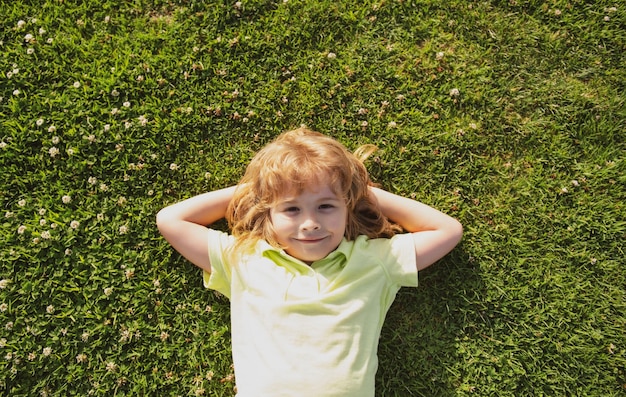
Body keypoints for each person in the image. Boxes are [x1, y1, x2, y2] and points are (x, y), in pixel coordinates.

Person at [156, 127, 463, 397]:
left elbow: (448, 230)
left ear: (348, 208)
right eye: (291, 209)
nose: (310, 223)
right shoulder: (244, 259)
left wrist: (362, 193)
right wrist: (255, 190)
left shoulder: (374, 260)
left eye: (326, 205)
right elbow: (171, 220)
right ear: (268, 214)